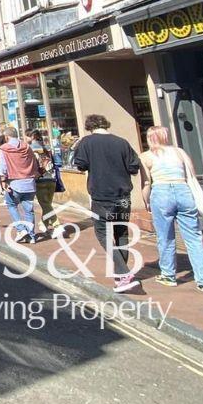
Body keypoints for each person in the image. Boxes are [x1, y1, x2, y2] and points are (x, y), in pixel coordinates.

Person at [140, 126, 203, 294]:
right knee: (194, 237)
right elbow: (192, 175)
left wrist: (147, 202)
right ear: (165, 136)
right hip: (183, 190)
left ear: (150, 138)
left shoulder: (146, 156)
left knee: (165, 237)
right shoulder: (179, 152)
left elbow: (146, 183)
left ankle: (168, 275)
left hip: (161, 192)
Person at [73, 114, 141, 293]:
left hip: (102, 197)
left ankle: (124, 273)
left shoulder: (86, 143)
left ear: (90, 127)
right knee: (121, 232)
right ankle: (121, 276)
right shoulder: (122, 142)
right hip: (123, 196)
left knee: (102, 233)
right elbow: (134, 167)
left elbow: (80, 165)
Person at [0, 127, 40, 244]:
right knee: (29, 210)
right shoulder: (27, 147)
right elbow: (34, 162)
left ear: (6, 137)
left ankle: (21, 230)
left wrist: (3, 180)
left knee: (11, 204)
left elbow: (3, 167)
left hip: (15, 183)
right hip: (29, 182)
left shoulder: (5, 149)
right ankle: (31, 236)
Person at [28, 130, 61, 238]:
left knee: (45, 205)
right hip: (52, 179)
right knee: (47, 204)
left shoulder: (31, 149)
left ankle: (57, 226)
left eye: (26, 136)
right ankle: (45, 225)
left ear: (32, 137)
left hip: (40, 180)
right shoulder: (47, 148)